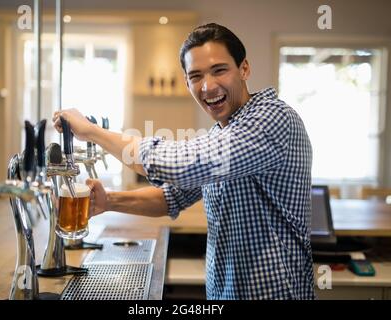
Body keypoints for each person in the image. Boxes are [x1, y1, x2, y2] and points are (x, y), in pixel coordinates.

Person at [53, 23, 314, 300]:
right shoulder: (221, 133)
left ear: (244, 69)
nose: (208, 86)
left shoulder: (272, 118)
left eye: (219, 70)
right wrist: (109, 202)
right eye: (196, 76)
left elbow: (180, 165)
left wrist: (92, 131)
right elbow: (171, 198)